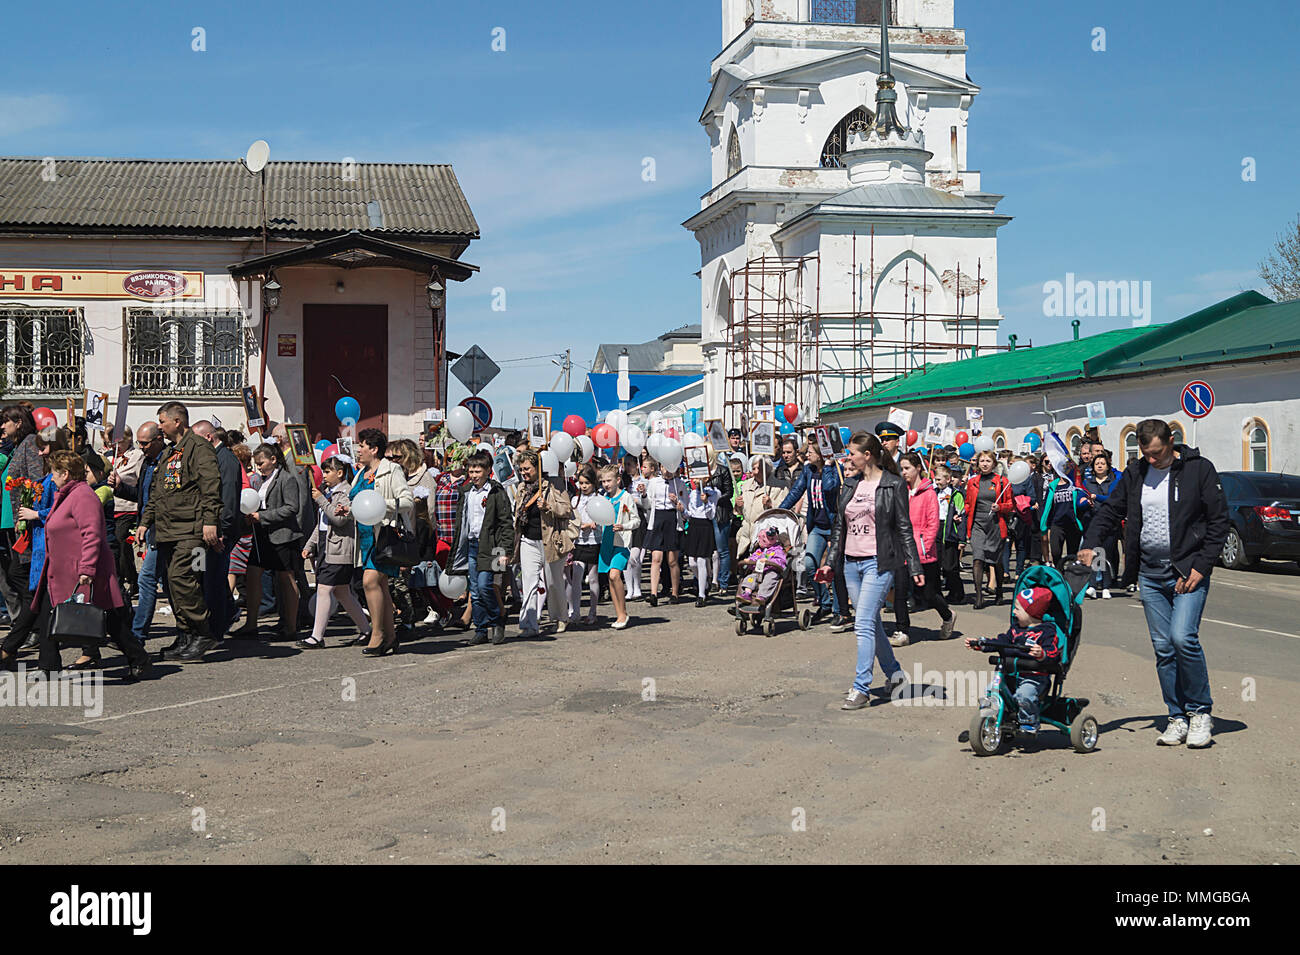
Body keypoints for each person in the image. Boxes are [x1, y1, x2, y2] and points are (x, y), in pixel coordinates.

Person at [1078, 419, 1228, 748]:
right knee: (1162, 648)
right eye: (1146, 453)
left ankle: (1200, 712)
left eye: (1157, 453)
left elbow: (1219, 522)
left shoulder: (1199, 470)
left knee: (1182, 638)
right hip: (1150, 571)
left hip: (1187, 570)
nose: (1152, 460)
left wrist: (1202, 567)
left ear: (1171, 442)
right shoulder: (1136, 473)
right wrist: (1090, 543)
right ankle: (1177, 716)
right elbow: (1109, 512)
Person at [29, 451, 152, 680]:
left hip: (82, 570)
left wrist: (87, 569)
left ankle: (139, 658)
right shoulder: (65, 494)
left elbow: (92, 534)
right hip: (60, 570)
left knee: (109, 619)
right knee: (47, 614)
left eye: (54, 472)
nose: (51, 477)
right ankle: (48, 666)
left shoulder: (83, 496)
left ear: (65, 474)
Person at [825, 432, 922, 711]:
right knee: (871, 623)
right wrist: (831, 562)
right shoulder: (850, 485)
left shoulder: (892, 484)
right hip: (851, 564)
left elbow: (904, 526)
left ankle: (861, 688)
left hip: (878, 563)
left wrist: (914, 565)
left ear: (867, 455)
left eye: (852, 453)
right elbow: (839, 527)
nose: (848, 458)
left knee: (863, 623)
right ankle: (895, 674)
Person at [138, 401, 223, 663]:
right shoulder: (169, 453)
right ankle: (186, 634)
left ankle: (203, 631)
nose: (160, 426)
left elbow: (211, 486)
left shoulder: (198, 448)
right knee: (173, 585)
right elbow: (158, 493)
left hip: (192, 531)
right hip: (168, 531)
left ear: (177, 421)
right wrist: (145, 521)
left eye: (162, 421)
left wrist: (211, 522)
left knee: (184, 578)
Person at [0, 427, 68, 667]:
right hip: (39, 548)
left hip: (52, 550)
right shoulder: (48, 475)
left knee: (38, 603)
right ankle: (38, 659)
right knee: (37, 602)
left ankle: (11, 651)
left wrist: (35, 513)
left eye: (44, 448)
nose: (39, 453)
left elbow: (66, 511)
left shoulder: (59, 478)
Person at [345, 428, 415, 655]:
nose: (358, 450)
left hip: (384, 537)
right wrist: (347, 510)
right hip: (364, 538)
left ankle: (377, 634)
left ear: (374, 449)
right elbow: (358, 502)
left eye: (362, 446)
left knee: (370, 582)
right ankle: (390, 637)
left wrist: (381, 503)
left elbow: (407, 501)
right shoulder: (360, 473)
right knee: (380, 586)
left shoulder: (391, 470)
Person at [964, 585, 1061, 740]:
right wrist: (982, 644)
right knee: (991, 691)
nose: (1014, 612)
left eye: (1018, 609)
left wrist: (1042, 654)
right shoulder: (1015, 630)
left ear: (1032, 613)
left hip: (1034, 677)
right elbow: (1001, 641)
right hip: (1010, 674)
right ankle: (987, 721)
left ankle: (1029, 724)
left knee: (1025, 695)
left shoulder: (1046, 632)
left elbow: (1054, 653)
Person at [299, 455, 371, 649]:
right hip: (325, 546)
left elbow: (339, 519)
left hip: (339, 548)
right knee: (342, 592)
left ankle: (316, 636)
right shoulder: (328, 492)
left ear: (340, 473)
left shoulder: (346, 492)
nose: (324, 475)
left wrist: (321, 500)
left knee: (323, 589)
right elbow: (321, 524)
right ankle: (366, 630)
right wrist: (310, 545)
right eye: (323, 471)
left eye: (328, 471)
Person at [235, 443, 302, 640]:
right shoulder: (259, 480)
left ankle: (290, 626)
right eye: (256, 464)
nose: (259, 467)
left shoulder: (286, 478)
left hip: (282, 535)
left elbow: (292, 507)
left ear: (273, 460)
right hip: (261, 535)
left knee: (286, 579)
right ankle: (251, 623)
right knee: (253, 574)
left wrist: (263, 517)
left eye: (261, 463)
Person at [109, 421, 167, 644]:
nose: (141, 447)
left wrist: (145, 521)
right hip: (151, 525)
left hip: (162, 527)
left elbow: (159, 500)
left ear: (158, 440)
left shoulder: (165, 461)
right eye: (139, 443)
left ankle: (137, 634)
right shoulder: (149, 462)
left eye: (145, 443)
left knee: (147, 579)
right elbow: (142, 497)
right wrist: (120, 488)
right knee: (165, 583)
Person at [449, 447, 513, 645]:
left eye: (478, 471)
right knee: (475, 591)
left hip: (492, 547)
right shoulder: (467, 491)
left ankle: (497, 620)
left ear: (488, 471)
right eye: (471, 471)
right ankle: (481, 628)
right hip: (472, 545)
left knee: (486, 586)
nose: (474, 475)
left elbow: (505, 523)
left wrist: (505, 551)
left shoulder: (496, 491)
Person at [894, 452, 956, 644]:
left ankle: (947, 616)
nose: (904, 472)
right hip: (903, 549)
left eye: (907, 468)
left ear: (918, 468)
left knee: (928, 594)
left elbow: (932, 525)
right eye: (902, 468)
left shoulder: (929, 493)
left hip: (923, 551)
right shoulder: (901, 491)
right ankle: (902, 630)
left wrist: (924, 546)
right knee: (900, 591)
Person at [780, 440, 842, 626]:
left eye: (811, 453)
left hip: (833, 528)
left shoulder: (834, 469)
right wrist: (780, 510)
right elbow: (797, 491)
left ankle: (839, 611)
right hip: (817, 526)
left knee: (833, 570)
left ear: (821, 454)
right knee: (809, 564)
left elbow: (830, 487)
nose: (807, 456)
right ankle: (825, 602)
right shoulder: (808, 470)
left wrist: (829, 466)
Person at [191, 419, 242, 640]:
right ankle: (226, 614)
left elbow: (228, 499)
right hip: (202, 533)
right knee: (200, 576)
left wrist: (223, 531)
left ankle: (217, 627)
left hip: (219, 534)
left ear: (209, 438)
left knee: (213, 580)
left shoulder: (226, 460)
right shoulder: (209, 458)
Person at [513, 450, 573, 636]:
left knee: (554, 583)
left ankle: (561, 617)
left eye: (527, 469)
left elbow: (567, 510)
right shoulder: (521, 488)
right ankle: (528, 624)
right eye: (521, 469)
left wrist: (549, 507)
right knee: (529, 583)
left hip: (550, 541)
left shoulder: (553, 485)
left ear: (538, 468)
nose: (524, 472)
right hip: (528, 541)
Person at [962, 448, 1012, 609]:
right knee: (978, 558)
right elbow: (968, 502)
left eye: (988, 461)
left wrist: (1001, 507)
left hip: (995, 525)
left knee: (994, 560)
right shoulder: (973, 481)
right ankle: (979, 596)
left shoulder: (1002, 482)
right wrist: (965, 513)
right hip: (977, 525)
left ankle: (999, 591)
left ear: (994, 464)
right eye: (982, 461)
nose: (984, 464)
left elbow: (1011, 505)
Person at [598, 463, 638, 630]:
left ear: (618, 480)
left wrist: (624, 526)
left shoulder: (626, 497)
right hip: (606, 542)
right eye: (603, 481)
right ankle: (619, 613)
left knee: (615, 575)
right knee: (610, 579)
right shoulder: (603, 499)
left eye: (609, 480)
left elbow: (636, 520)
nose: (606, 484)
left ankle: (623, 613)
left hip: (621, 542)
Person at [642, 458, 685, 607]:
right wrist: (643, 495)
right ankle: (653, 593)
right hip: (658, 519)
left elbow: (685, 507)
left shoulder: (679, 483)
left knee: (672, 560)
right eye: (664, 467)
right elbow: (647, 505)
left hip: (672, 519)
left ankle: (674, 592)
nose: (666, 470)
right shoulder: (654, 483)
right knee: (656, 558)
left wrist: (678, 503)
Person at [106, 425, 143, 599]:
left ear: (129, 438)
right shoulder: (108, 456)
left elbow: (139, 482)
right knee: (116, 546)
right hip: (110, 506)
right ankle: (126, 580)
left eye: (121, 440)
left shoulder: (136, 456)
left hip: (128, 507)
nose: (117, 444)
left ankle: (127, 581)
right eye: (114, 440)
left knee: (121, 543)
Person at [1081, 448, 1120, 598]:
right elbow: (1081, 498)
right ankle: (1092, 585)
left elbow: (1112, 499)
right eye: (1097, 463)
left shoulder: (1114, 481)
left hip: (1110, 522)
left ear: (1107, 466)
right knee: (1093, 553)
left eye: (1102, 463)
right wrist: (1084, 501)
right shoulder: (1087, 482)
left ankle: (1106, 586)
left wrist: (1096, 496)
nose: (1099, 466)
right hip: (1091, 521)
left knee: (1106, 554)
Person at [567, 465, 602, 626]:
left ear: (593, 483)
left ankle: (593, 612)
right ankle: (574, 611)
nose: (584, 486)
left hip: (594, 541)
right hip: (579, 541)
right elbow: (573, 519)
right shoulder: (575, 500)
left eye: (587, 483)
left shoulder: (600, 498)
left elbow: (603, 520)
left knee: (593, 578)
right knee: (576, 578)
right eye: (581, 483)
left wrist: (592, 524)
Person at [682, 472, 720, 608]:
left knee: (702, 560)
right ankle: (704, 581)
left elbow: (711, 515)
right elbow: (689, 513)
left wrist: (706, 502)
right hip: (694, 526)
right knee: (692, 562)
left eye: (700, 478)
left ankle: (701, 594)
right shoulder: (692, 493)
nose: (697, 481)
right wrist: (682, 510)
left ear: (707, 478)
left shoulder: (714, 493)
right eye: (695, 478)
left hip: (705, 526)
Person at [934, 464, 966, 605]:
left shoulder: (955, 494)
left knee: (950, 567)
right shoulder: (934, 492)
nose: (937, 481)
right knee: (936, 565)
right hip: (936, 529)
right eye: (935, 479)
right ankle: (937, 595)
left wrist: (961, 538)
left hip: (950, 531)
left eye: (939, 479)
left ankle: (957, 593)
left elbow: (961, 514)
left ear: (948, 479)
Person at [736, 526, 789, 605]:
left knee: (769, 580)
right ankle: (747, 593)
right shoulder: (759, 551)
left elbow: (781, 561)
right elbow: (754, 557)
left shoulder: (777, 550)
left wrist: (769, 561)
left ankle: (762, 597)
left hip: (771, 571)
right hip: (758, 571)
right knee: (750, 578)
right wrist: (750, 560)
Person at [708, 443, 735, 594]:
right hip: (705, 514)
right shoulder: (701, 472)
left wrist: (714, 498)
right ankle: (707, 579)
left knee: (722, 549)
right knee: (707, 551)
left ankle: (723, 582)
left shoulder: (722, 470)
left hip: (720, 513)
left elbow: (729, 492)